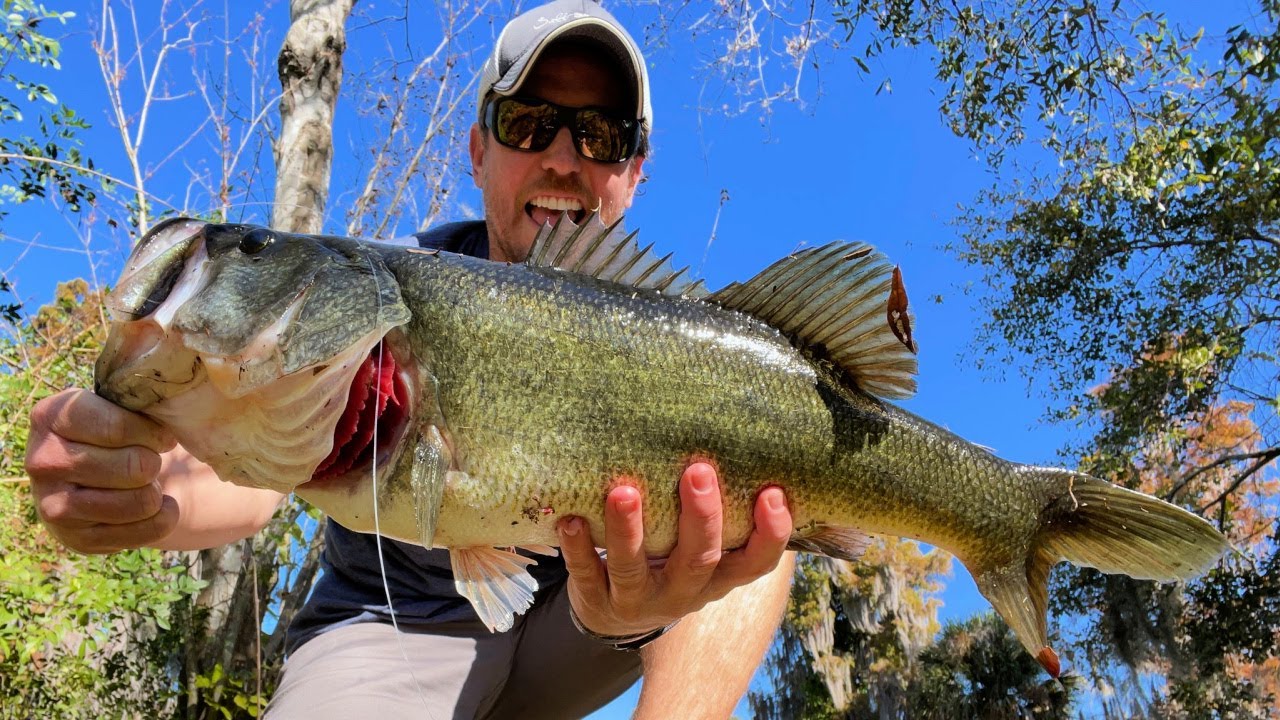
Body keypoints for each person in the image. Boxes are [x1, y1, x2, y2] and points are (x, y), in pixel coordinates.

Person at [25, 1, 796, 717]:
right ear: (478, 150)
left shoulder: (691, 344)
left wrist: (635, 606)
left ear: (632, 174)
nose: (563, 156)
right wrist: (136, 492)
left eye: (601, 136)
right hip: (390, 634)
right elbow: (259, 480)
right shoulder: (376, 286)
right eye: (528, 121)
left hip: (595, 626)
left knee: (764, 513)